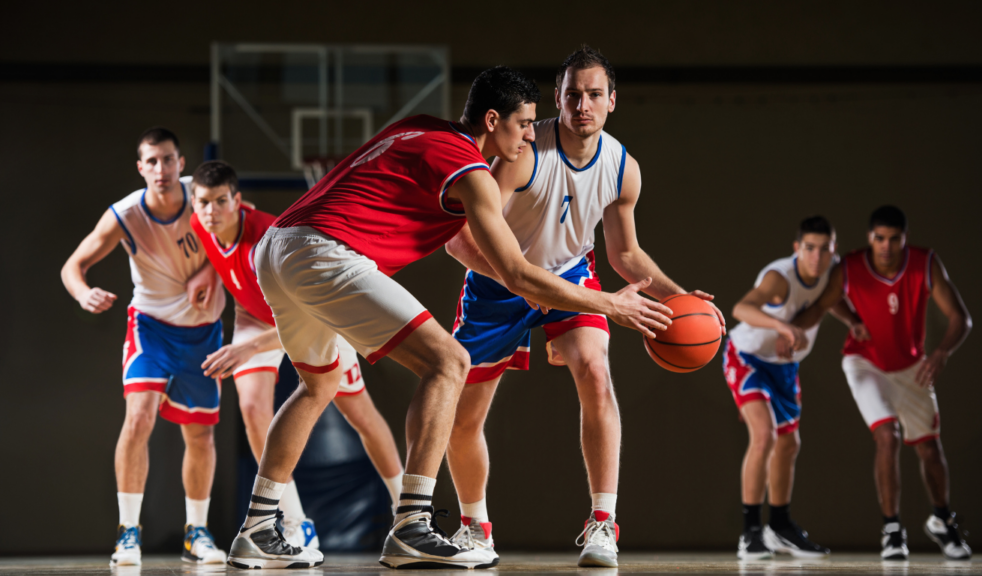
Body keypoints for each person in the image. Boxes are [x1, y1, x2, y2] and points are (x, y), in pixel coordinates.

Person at [224, 66, 673, 570]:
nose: (531, 134)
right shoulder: (472, 171)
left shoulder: (418, 126)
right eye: (524, 124)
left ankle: (258, 528)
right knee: (448, 363)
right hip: (328, 253)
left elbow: (465, 242)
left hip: (277, 248)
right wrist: (610, 303)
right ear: (491, 119)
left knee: (317, 387)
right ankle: (412, 525)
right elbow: (519, 274)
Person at [443, 46, 724, 568]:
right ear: (558, 98)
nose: (582, 104)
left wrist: (677, 294)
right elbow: (459, 238)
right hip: (497, 285)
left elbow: (625, 254)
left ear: (612, 101)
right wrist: (515, 280)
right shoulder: (523, 153)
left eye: (594, 94)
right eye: (573, 94)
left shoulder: (622, 168)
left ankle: (603, 524)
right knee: (462, 418)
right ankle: (474, 527)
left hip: (572, 276)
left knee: (595, 370)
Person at [188, 160, 405, 548]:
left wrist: (248, 348)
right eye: (204, 202)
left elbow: (304, 317)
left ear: (237, 202)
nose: (211, 212)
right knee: (253, 410)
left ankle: (406, 511)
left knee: (361, 416)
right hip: (254, 318)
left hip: (314, 316)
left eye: (221, 202)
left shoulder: (268, 243)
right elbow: (215, 232)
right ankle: (296, 522)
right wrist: (207, 272)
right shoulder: (202, 223)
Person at [60, 128, 228, 566]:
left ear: (181, 162)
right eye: (151, 162)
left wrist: (212, 271)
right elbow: (73, 265)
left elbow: (242, 235)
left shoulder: (204, 195)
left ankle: (197, 531)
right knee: (138, 418)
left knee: (200, 433)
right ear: (141, 168)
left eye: (168, 160)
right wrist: (83, 293)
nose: (161, 169)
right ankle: (128, 533)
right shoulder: (125, 215)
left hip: (202, 331)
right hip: (151, 327)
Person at [792, 205, 972, 560]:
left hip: (911, 365)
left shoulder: (925, 263)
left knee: (929, 449)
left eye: (893, 239)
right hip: (864, 362)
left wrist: (940, 353)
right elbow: (820, 306)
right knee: (887, 435)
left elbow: (961, 319)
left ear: (904, 239)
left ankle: (941, 520)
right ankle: (892, 530)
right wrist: (787, 329)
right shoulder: (850, 267)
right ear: (869, 238)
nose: (886, 246)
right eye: (879, 238)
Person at [722, 217, 835, 560]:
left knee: (789, 444)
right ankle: (750, 532)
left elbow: (827, 301)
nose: (816, 256)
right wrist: (782, 327)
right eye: (809, 248)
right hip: (748, 356)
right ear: (797, 248)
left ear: (833, 249)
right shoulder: (780, 279)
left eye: (824, 248)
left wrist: (855, 322)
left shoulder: (834, 270)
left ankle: (780, 527)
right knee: (765, 436)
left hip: (783, 366)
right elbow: (740, 308)